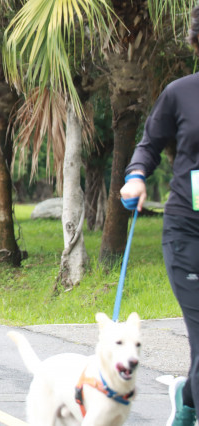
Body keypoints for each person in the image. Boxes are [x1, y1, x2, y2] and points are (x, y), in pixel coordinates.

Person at [120, 7, 199, 426]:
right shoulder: (180, 93)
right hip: (188, 232)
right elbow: (149, 145)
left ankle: (188, 398)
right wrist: (135, 176)